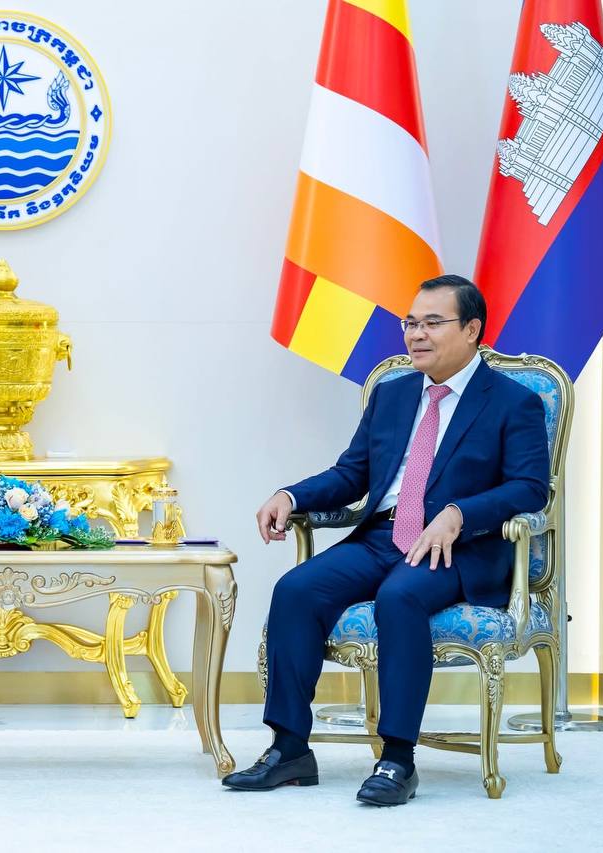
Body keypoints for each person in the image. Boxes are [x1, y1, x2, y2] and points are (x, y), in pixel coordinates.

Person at [223, 274, 549, 805]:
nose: (416, 334)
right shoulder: (392, 394)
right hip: (382, 535)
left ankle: (397, 760)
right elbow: (351, 473)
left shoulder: (514, 402)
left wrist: (460, 514)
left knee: (400, 597)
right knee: (296, 589)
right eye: (410, 323)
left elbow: (530, 487)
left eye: (432, 323)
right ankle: (289, 749)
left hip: (457, 546)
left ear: (472, 329)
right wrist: (291, 495)